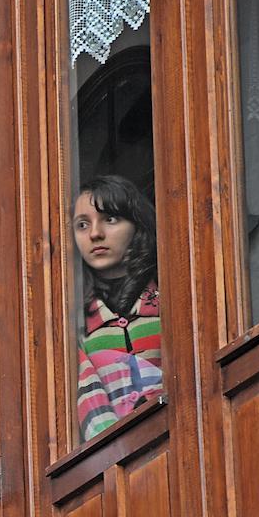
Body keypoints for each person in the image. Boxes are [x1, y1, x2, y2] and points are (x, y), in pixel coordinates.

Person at [72, 175, 162, 441]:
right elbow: (88, 398)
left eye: (110, 219)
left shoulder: (172, 298)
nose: (95, 234)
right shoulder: (74, 320)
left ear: (137, 225)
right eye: (82, 224)